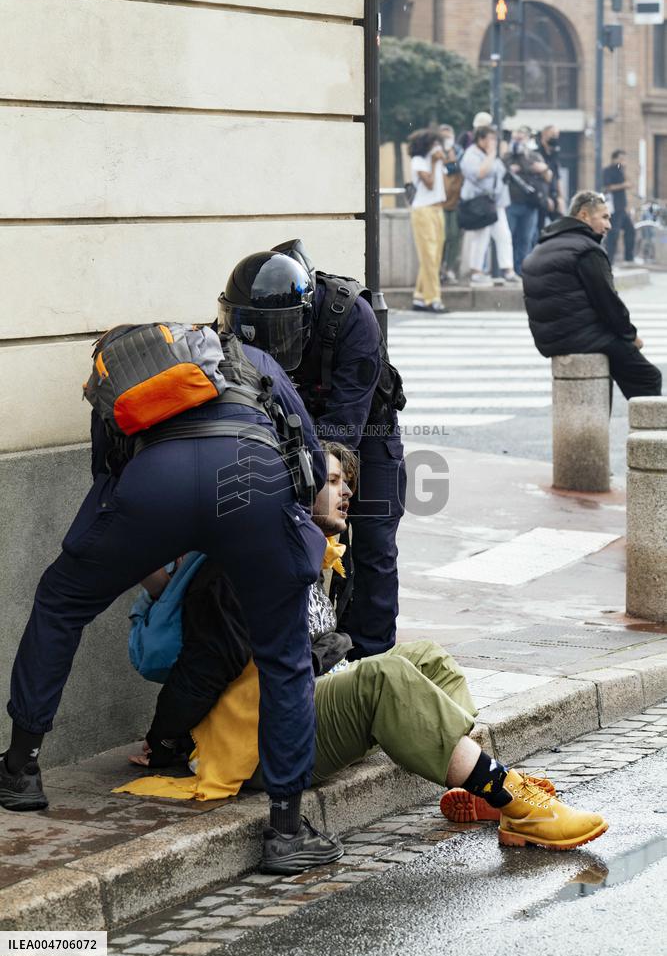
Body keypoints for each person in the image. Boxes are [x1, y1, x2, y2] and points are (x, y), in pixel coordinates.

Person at [121, 443, 610, 865]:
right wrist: (165, 742)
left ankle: (473, 787)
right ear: (297, 488)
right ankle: (515, 801)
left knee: (426, 657)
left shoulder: (305, 549)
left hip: (300, 710)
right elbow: (202, 671)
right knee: (384, 677)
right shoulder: (242, 569)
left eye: (345, 481)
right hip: (264, 748)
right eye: (332, 481)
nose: (347, 491)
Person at [0, 287, 346, 873]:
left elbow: (107, 474)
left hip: (152, 487)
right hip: (251, 477)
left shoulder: (122, 378)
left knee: (60, 602)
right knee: (283, 655)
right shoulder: (249, 358)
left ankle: (21, 769)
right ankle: (286, 831)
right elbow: (308, 454)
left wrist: (109, 555)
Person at [219, 245, 406, 662]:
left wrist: (308, 475)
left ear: (304, 317)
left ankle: (372, 661)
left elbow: (345, 428)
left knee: (374, 541)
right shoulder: (242, 315)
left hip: (364, 430)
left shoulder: (352, 317)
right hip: (288, 431)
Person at [522, 190, 662, 399]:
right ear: (584, 215)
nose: (609, 226)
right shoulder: (587, 250)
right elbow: (609, 303)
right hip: (579, 337)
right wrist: (631, 336)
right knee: (648, 376)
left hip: (550, 339)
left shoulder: (541, 248)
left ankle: (599, 429)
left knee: (612, 373)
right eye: (604, 217)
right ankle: (647, 432)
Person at [460, 126, 520, 287]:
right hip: (479, 202)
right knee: (481, 236)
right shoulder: (471, 154)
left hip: (495, 203)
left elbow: (501, 173)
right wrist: (493, 154)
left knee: (504, 235)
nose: (494, 142)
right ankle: (476, 271)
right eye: (491, 139)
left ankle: (508, 269)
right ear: (481, 139)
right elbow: (480, 173)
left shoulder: (492, 156)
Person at [407, 128, 448, 312]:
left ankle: (420, 296)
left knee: (435, 255)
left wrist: (442, 158)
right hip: (423, 211)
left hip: (438, 209)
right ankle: (433, 299)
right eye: (434, 143)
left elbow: (451, 169)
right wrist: (433, 161)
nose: (437, 147)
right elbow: (429, 183)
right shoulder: (419, 161)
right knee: (429, 255)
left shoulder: (437, 159)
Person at [503, 126, 550, 275]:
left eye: (521, 139)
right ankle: (507, 270)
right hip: (511, 203)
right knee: (508, 238)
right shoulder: (507, 156)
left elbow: (548, 177)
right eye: (515, 139)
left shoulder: (534, 156)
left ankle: (522, 270)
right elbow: (503, 172)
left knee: (526, 239)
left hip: (530, 204)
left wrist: (543, 168)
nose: (518, 142)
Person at [603, 149, 636, 266]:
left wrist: (624, 169)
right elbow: (608, 187)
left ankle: (629, 258)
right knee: (614, 233)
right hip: (614, 207)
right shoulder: (608, 171)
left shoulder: (620, 170)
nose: (622, 161)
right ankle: (609, 260)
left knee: (630, 230)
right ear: (614, 159)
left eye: (624, 159)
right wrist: (623, 185)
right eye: (621, 159)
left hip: (622, 207)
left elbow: (630, 183)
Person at [439, 123, 463, 284]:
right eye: (443, 137)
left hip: (456, 201)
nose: (447, 140)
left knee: (454, 236)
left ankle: (450, 269)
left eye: (449, 137)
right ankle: (439, 269)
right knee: (441, 238)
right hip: (439, 203)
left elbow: (457, 169)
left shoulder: (459, 152)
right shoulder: (435, 153)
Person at [536, 125, 565, 233]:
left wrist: (561, 198)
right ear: (544, 135)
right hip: (540, 198)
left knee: (561, 229)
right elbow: (538, 179)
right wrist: (546, 197)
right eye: (553, 134)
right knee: (538, 231)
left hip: (553, 196)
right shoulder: (536, 153)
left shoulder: (554, 154)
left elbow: (557, 178)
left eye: (557, 135)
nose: (555, 137)